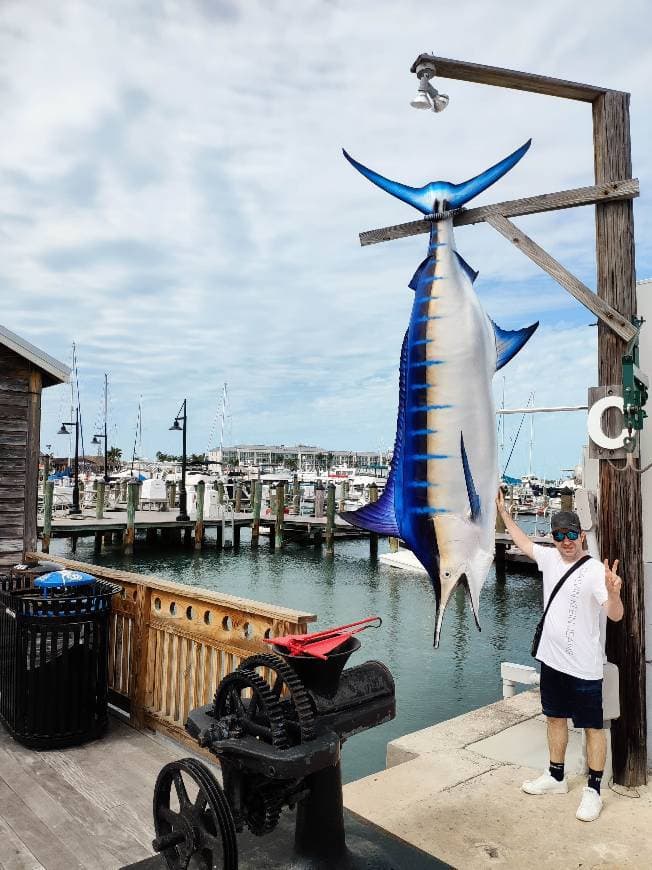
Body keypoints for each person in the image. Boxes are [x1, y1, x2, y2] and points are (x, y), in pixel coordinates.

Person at [495, 488, 623, 822]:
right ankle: (556, 776)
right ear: (553, 538)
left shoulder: (595, 571)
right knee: (554, 718)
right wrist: (506, 515)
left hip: (585, 667)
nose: (566, 541)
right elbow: (523, 542)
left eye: (571, 535)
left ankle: (593, 790)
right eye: (559, 535)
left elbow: (615, 615)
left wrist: (613, 593)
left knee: (593, 728)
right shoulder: (549, 558)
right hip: (552, 661)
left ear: (582, 536)